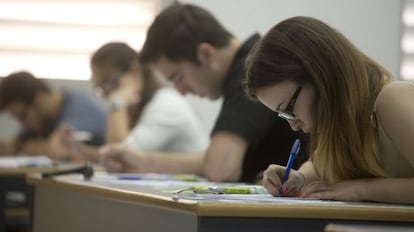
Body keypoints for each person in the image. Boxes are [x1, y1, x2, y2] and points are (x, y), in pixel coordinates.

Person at [101, 3, 303, 183]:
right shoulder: (245, 64)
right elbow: (215, 158)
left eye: (178, 77)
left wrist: (148, 161)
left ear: (205, 54)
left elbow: (221, 168)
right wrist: (145, 162)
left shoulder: (250, 70)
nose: (180, 91)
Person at [244, 16, 414, 204]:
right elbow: (322, 164)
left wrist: (361, 189)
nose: (293, 125)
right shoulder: (345, 121)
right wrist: (299, 178)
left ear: (319, 76)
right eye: (283, 115)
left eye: (289, 109)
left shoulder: (392, 100)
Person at [90, 42, 208, 153]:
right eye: (100, 88)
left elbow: (119, 157)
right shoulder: (139, 107)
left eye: (109, 83)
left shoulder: (166, 104)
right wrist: (82, 152)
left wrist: (117, 103)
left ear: (134, 72)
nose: (107, 95)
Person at [0, 71, 107, 160]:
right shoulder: (44, 118)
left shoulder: (78, 109)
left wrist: (31, 147)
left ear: (40, 99)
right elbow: (12, 146)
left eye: (22, 116)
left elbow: (58, 151)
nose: (22, 123)